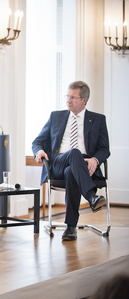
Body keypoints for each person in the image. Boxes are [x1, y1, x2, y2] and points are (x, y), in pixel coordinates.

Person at [32, 81, 110, 241]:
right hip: (58, 163)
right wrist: (39, 151)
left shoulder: (98, 120)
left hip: (85, 166)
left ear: (84, 100)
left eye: (73, 97)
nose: (68, 100)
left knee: (71, 172)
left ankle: (70, 227)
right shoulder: (56, 116)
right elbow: (37, 141)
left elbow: (104, 149)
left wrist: (95, 159)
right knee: (74, 153)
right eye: (67, 96)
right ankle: (91, 196)